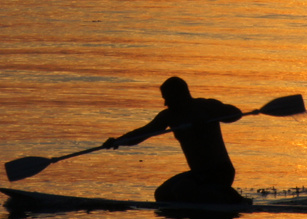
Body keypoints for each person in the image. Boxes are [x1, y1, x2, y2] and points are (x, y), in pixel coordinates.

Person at [103, 76, 248, 204]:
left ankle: (231, 198)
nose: (165, 103)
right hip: (199, 173)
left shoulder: (206, 106)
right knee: (162, 194)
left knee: (182, 189)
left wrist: (206, 119)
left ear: (179, 95)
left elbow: (236, 114)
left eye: (168, 98)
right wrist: (118, 141)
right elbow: (143, 133)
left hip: (220, 172)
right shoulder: (169, 116)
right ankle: (200, 203)